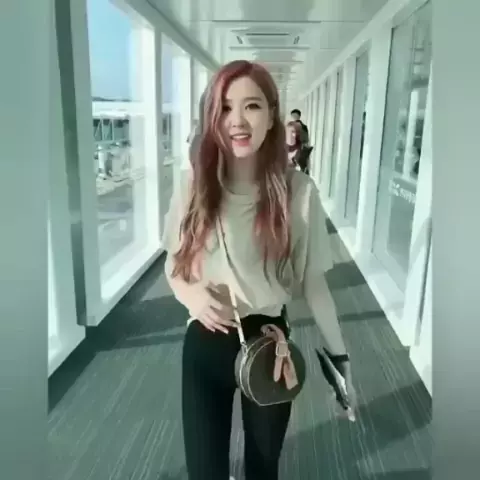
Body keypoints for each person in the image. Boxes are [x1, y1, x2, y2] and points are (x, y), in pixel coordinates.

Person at [162, 60, 355, 480]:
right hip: (207, 338)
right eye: (225, 108)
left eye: (251, 106)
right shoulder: (193, 185)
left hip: (270, 345)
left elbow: (314, 284)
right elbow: (174, 264)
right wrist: (192, 297)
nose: (237, 120)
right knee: (204, 471)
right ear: (212, 118)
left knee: (264, 468)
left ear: (271, 116)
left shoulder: (298, 193)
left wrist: (340, 360)